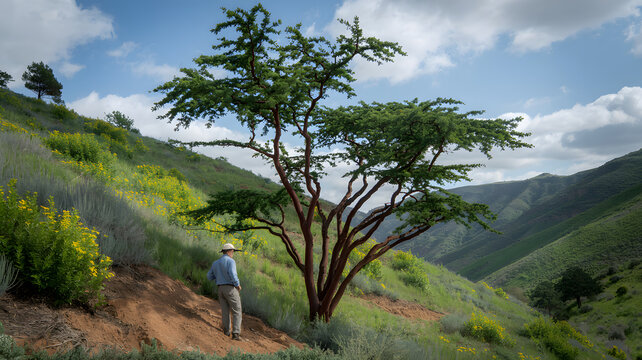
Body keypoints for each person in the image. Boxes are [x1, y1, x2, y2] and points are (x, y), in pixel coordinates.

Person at [207, 243, 242, 340]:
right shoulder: (231, 261)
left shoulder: (215, 263)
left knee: (225, 311)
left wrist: (219, 276)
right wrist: (237, 285)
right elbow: (233, 274)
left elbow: (209, 276)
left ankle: (226, 332)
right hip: (230, 288)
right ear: (229, 251)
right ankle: (235, 334)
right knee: (237, 310)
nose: (233, 253)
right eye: (233, 251)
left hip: (220, 289)